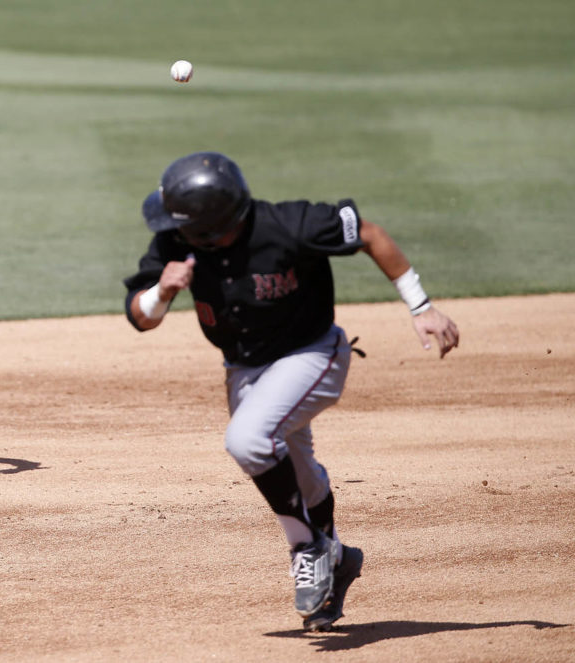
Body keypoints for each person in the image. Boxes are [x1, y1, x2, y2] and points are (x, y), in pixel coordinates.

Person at [123, 151, 459, 631]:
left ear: (212, 222)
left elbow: (368, 234)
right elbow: (140, 318)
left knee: (247, 440)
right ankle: (337, 558)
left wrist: (421, 306)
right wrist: (162, 290)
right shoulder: (173, 244)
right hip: (243, 369)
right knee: (297, 475)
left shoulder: (289, 224)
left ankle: (308, 547)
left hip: (314, 355)